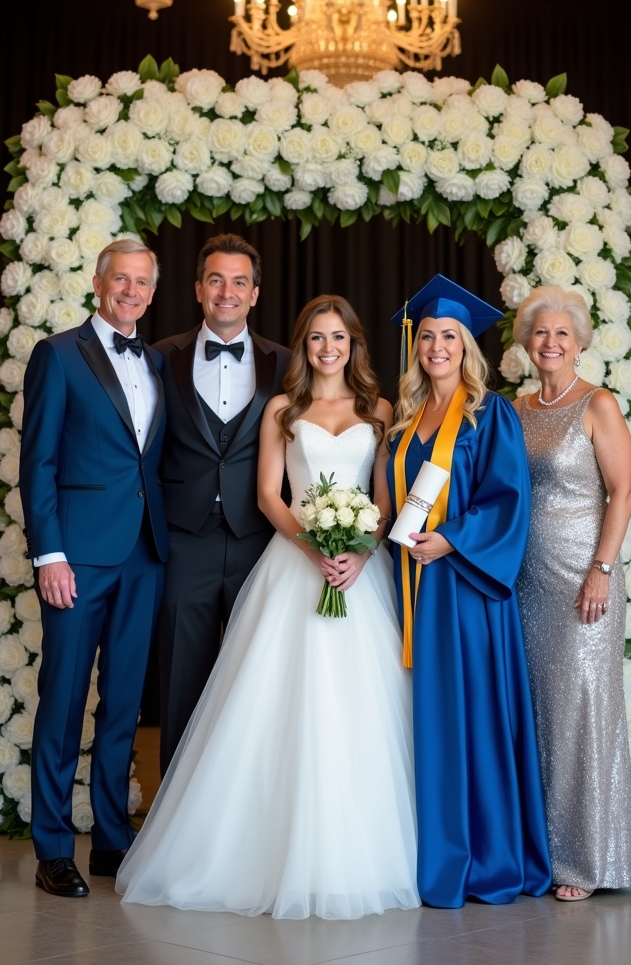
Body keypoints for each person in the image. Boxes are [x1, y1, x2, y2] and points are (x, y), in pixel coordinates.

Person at [117, 295, 419, 918]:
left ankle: (362, 852)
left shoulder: (380, 410)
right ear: (303, 345)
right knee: (275, 703)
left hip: (359, 571)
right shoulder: (283, 409)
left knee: (360, 707)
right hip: (295, 563)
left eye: (339, 337)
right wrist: (314, 548)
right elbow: (267, 495)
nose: (328, 348)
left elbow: (385, 499)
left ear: (354, 345)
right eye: (317, 338)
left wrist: (358, 553)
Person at [386, 274, 552, 909]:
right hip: (412, 585)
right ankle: (430, 850)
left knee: (474, 718)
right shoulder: (405, 419)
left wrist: (451, 541)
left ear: (466, 346)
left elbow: (508, 498)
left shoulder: (490, 413)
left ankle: (485, 858)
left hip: (466, 589)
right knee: (428, 722)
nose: (436, 346)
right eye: (427, 335)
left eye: (449, 336)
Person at [19, 239, 168, 898]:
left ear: (152, 293)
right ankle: (53, 847)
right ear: (99, 283)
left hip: (144, 553)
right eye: (121, 280)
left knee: (124, 703)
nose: (131, 291)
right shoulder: (57, 355)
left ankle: (111, 838)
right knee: (63, 699)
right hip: (76, 556)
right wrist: (49, 554)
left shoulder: (157, 362)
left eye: (142, 282)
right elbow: (38, 462)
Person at [513, 284, 631, 900]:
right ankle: (541, 853)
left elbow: (623, 491)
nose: (551, 342)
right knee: (537, 712)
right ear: (526, 341)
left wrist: (602, 570)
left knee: (581, 712)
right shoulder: (515, 408)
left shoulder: (598, 403)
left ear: (580, 342)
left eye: (562, 333)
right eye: (541, 332)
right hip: (525, 581)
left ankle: (587, 861)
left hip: (583, 580)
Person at [154, 233, 290, 774]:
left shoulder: (286, 364)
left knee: (255, 682)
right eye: (216, 280)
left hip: (260, 540)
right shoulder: (160, 357)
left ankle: (248, 803)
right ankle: (174, 808)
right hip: (183, 539)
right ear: (198, 289)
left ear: (255, 294)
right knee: (180, 680)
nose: (226, 292)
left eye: (239, 282)